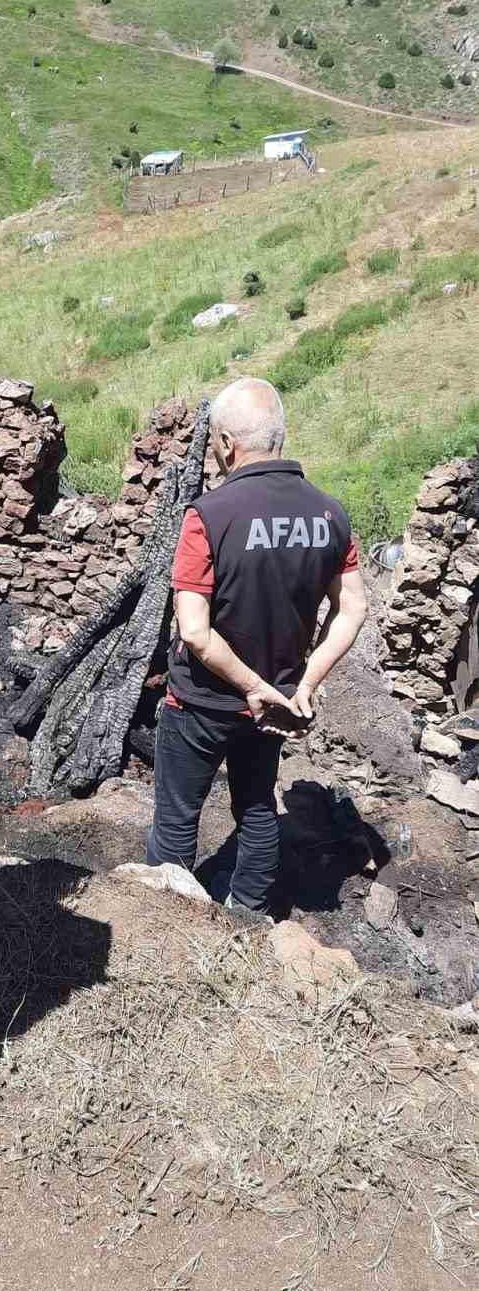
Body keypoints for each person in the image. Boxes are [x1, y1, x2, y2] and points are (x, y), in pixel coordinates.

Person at [146, 376, 367, 923]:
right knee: (257, 806)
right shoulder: (330, 515)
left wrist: (248, 686)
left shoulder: (209, 516)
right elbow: (353, 608)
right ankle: (248, 909)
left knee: (178, 816)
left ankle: (169, 922)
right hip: (276, 707)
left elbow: (194, 632)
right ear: (280, 439)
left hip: (201, 702)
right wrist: (301, 686)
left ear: (224, 443)